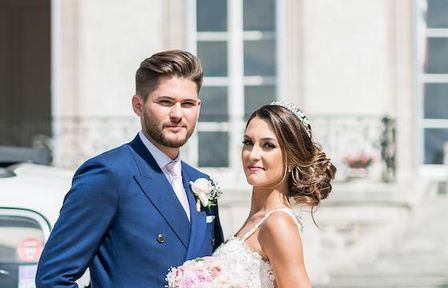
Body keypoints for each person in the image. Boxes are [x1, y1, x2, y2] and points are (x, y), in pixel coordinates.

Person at [35, 49, 224, 288]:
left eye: (187, 104)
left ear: (198, 107)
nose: (177, 114)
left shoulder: (201, 183)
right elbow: (53, 279)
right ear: (138, 105)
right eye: (165, 102)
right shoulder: (108, 174)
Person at [169, 101, 336, 288]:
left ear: (292, 157)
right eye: (248, 142)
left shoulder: (278, 223)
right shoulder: (257, 219)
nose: (252, 154)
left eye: (268, 145)